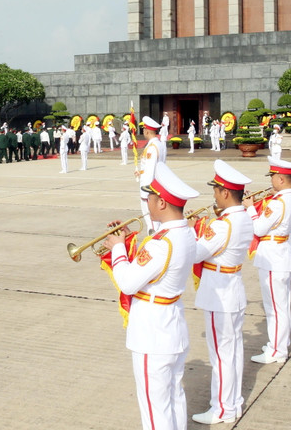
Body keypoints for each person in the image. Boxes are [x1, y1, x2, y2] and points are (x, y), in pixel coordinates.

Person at [103, 162, 197, 430]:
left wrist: (118, 249)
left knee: (155, 410)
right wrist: (128, 239)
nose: (148, 203)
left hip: (152, 331)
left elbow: (128, 282)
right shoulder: (185, 233)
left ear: (163, 203)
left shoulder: (160, 243)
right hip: (172, 325)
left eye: (151, 198)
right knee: (173, 397)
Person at [191, 160, 254, 425]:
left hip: (219, 295)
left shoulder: (222, 225)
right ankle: (233, 403)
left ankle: (221, 409)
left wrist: (192, 230)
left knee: (221, 356)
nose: (214, 194)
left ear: (225, 192)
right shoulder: (243, 217)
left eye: (216, 190)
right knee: (232, 352)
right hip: (232, 290)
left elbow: (194, 252)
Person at [245, 156, 291, 364]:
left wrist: (251, 208)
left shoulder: (278, 203)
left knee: (275, 308)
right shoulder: (289, 198)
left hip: (272, 257)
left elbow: (259, 228)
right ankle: (278, 345)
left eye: (274, 177)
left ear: (281, 179)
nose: (271, 181)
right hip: (279, 252)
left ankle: (277, 351)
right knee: (280, 306)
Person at [137, 116, 166, 230]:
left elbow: (151, 170)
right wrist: (140, 172)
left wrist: (146, 192)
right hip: (156, 185)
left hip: (150, 188)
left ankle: (154, 242)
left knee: (152, 221)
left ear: (147, 131)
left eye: (144, 129)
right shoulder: (158, 144)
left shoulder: (152, 147)